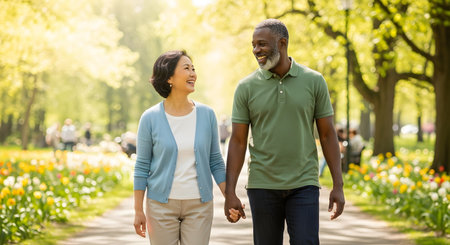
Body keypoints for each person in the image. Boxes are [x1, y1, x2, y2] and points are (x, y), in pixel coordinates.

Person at [224, 19, 345, 245]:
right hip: (262, 185)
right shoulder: (246, 87)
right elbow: (238, 141)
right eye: (253, 45)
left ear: (282, 43)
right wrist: (229, 192)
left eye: (262, 44)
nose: (256, 50)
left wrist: (338, 185)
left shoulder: (314, 81)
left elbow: (328, 135)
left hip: (304, 183)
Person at [133, 50, 238, 245]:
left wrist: (229, 197)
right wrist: (138, 210)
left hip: (199, 205)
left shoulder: (207, 114)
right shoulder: (150, 118)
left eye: (194, 69)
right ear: (169, 77)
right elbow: (142, 166)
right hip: (160, 207)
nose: (193, 74)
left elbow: (215, 161)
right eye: (186, 68)